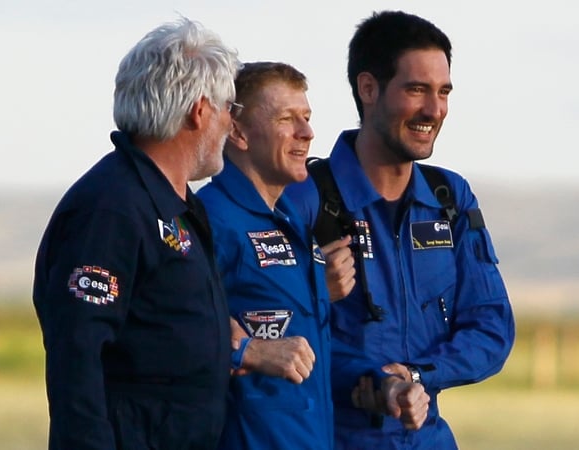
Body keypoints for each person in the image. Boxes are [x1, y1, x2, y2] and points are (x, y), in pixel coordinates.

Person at [284, 10, 516, 449]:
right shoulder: (303, 200)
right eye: (416, 90)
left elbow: (492, 326)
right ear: (368, 88)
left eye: (443, 91)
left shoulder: (450, 197)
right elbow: (272, 331)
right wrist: (372, 381)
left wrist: (415, 376)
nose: (434, 109)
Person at [197, 61, 430, 450]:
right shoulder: (211, 219)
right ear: (237, 130)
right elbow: (171, 332)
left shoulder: (291, 222)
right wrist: (246, 350)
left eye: (306, 117)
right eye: (287, 119)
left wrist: (381, 384)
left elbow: (309, 349)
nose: (307, 133)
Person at [32, 18, 241, 450]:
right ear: (200, 111)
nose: (230, 126)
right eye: (228, 108)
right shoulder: (110, 209)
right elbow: (78, 354)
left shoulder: (173, 205)